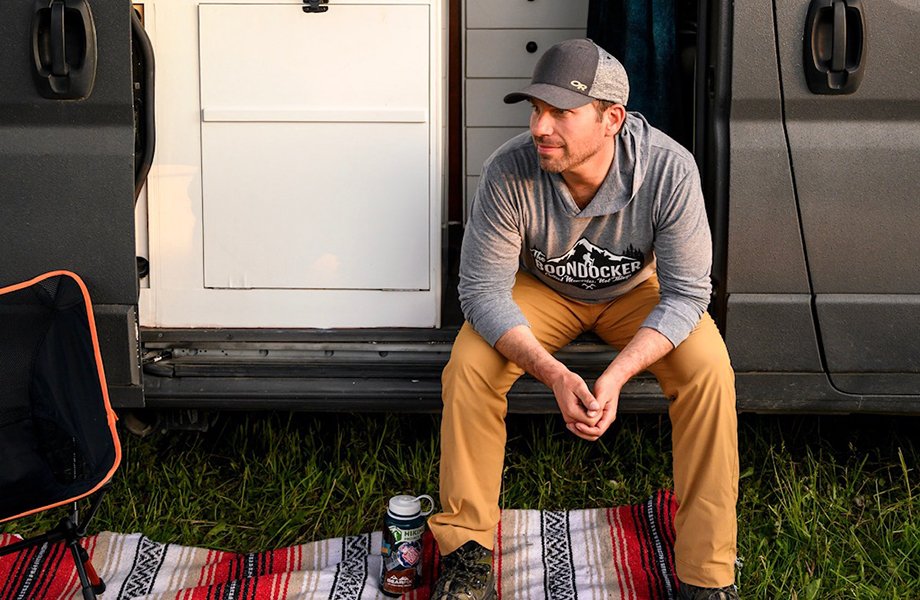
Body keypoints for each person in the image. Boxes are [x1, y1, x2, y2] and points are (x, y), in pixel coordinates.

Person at [428, 39, 739, 600]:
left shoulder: (669, 169)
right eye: (535, 109)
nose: (540, 127)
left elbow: (688, 293)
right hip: (543, 289)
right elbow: (480, 291)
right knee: (470, 364)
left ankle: (706, 573)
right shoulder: (509, 169)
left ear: (611, 119)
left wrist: (614, 376)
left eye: (560, 113)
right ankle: (466, 551)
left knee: (709, 370)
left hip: (635, 293)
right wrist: (555, 375)